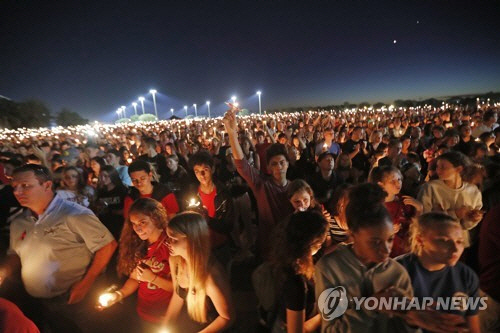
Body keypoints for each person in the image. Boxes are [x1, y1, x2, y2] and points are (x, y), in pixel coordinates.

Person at [1, 164, 117, 332]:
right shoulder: (19, 222)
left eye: (25, 186)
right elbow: (15, 253)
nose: (17, 192)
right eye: (14, 187)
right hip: (36, 301)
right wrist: (4, 271)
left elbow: (107, 246)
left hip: (72, 300)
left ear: (47, 185)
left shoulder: (75, 214)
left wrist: (85, 284)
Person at [314, 183, 416, 332]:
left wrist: (413, 321)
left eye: (389, 240)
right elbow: (332, 329)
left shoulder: (397, 273)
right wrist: (371, 305)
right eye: (375, 242)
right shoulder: (330, 269)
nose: (386, 249)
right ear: (353, 235)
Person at [223, 107, 293, 259]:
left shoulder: (295, 187)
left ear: (288, 164)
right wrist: (232, 134)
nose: (278, 167)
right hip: (268, 246)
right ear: (268, 167)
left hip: (290, 245)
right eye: (274, 164)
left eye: (282, 162)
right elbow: (242, 165)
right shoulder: (262, 185)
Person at [397, 212, 481, 333]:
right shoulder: (397, 271)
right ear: (420, 240)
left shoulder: (466, 275)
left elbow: (473, 327)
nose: (455, 249)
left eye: (459, 241)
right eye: (444, 240)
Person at [97, 198, 173, 331]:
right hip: (144, 313)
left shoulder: (172, 245)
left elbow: (181, 289)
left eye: (142, 222)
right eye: (133, 223)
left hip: (167, 316)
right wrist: (118, 295)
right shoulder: (140, 246)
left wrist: (153, 278)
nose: (137, 228)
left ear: (155, 218)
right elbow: (135, 278)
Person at [162, 212, 235, 332]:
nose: (167, 242)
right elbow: (178, 293)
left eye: (173, 238)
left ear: (192, 239)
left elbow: (227, 318)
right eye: (167, 237)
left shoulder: (211, 276)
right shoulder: (175, 261)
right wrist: (167, 323)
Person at [269, 211, 327, 333]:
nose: (322, 246)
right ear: (310, 244)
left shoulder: (287, 257)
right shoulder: (295, 283)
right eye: (320, 243)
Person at [418, 151, 483, 247]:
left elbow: (466, 225)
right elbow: (424, 218)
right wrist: (455, 214)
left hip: (459, 242)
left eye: (443, 167)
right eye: (437, 167)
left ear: (459, 169)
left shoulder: (473, 191)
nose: (438, 170)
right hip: (435, 241)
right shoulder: (431, 188)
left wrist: (473, 218)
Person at [184, 151, 235, 266]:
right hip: (200, 246)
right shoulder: (192, 193)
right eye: (197, 172)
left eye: (205, 170)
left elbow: (229, 225)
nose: (201, 175)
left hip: (220, 246)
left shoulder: (223, 193)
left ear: (212, 169)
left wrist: (209, 220)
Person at [369, 166, 422, 257]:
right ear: (381, 185)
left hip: (407, 251)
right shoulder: (375, 206)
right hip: (387, 254)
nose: (398, 183)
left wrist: (419, 209)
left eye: (399, 179)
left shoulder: (406, 201)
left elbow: (416, 226)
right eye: (392, 181)